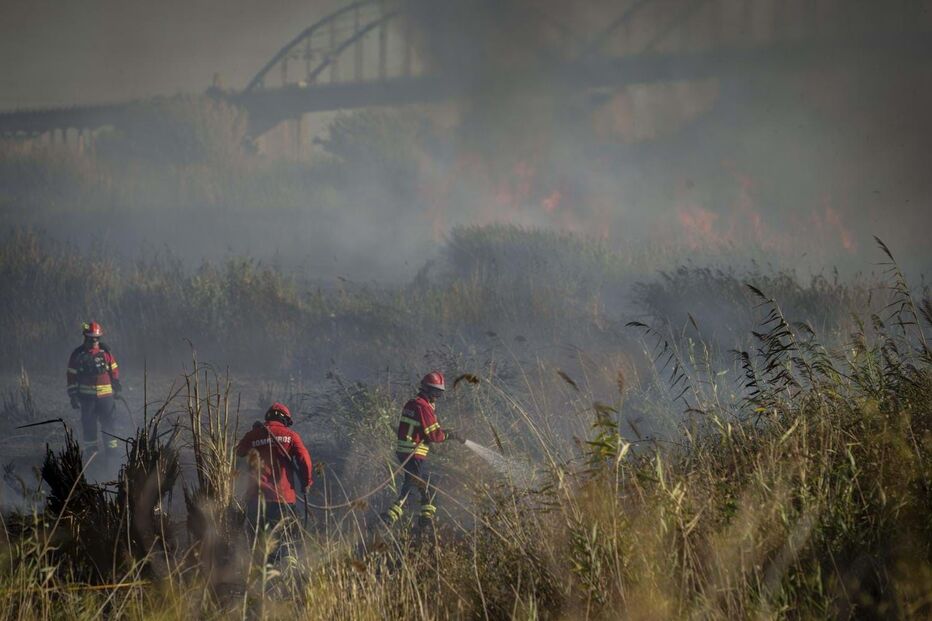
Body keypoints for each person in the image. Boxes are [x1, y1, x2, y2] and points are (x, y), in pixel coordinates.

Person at [381, 371, 459, 531]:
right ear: (426, 389)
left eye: (440, 393)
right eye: (435, 392)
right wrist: (450, 435)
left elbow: (423, 431)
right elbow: (434, 435)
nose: (437, 397)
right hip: (414, 453)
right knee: (411, 484)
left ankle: (426, 519)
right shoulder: (422, 406)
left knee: (425, 485)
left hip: (406, 451)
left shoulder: (412, 404)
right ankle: (390, 517)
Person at [236, 402, 313, 533]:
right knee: (288, 540)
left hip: (257, 499)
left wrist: (255, 435)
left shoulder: (253, 435)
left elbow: (239, 452)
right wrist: (306, 482)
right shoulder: (291, 436)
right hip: (284, 499)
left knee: (257, 541)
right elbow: (304, 459)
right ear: (285, 419)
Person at [66, 321, 121, 464]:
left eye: (97, 338)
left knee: (109, 426)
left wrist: (116, 383)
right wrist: (73, 396)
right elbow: (71, 376)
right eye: (91, 338)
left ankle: (112, 456)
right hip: (87, 399)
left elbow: (114, 369)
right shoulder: (78, 354)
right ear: (85, 337)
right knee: (89, 428)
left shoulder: (106, 352)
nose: (94, 341)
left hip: (106, 398)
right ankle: (93, 458)